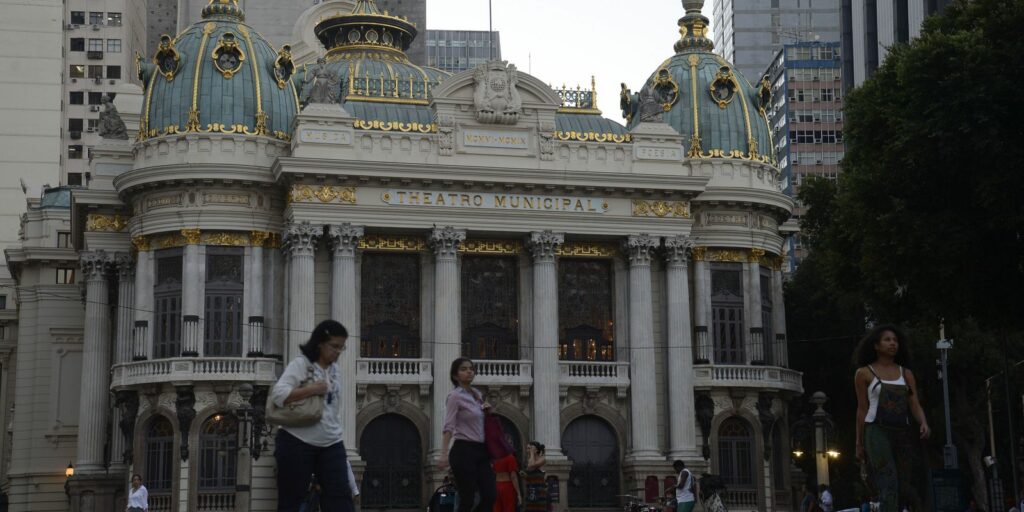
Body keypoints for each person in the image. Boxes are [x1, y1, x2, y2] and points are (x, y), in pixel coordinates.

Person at [271, 320, 355, 512]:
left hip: (331, 443)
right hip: (297, 442)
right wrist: (311, 390)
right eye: (334, 346)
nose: (337, 352)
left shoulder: (335, 371)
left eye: (341, 348)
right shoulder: (301, 365)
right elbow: (278, 395)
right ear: (320, 343)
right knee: (291, 502)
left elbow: (332, 407)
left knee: (341, 500)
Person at [854, 324, 930, 512]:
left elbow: (914, 403)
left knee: (903, 485)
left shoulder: (906, 374)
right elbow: (862, 409)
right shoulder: (864, 373)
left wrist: (923, 422)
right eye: (887, 340)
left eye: (895, 340)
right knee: (888, 480)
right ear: (876, 346)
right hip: (876, 430)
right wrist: (859, 442)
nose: (892, 343)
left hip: (902, 431)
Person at [438, 357, 497, 512]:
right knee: (467, 499)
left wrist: (488, 412)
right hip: (463, 450)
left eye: (471, 368)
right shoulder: (454, 396)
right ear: (455, 375)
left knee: (490, 495)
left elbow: (480, 422)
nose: (469, 371)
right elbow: (448, 426)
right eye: (464, 369)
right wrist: (443, 453)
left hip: (481, 450)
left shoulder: (477, 394)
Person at [522, 442, 548, 512]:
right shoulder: (529, 460)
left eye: (530, 448)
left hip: (539, 492)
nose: (528, 450)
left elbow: (532, 465)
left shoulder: (542, 459)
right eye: (527, 448)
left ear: (536, 450)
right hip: (530, 491)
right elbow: (529, 474)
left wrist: (532, 454)